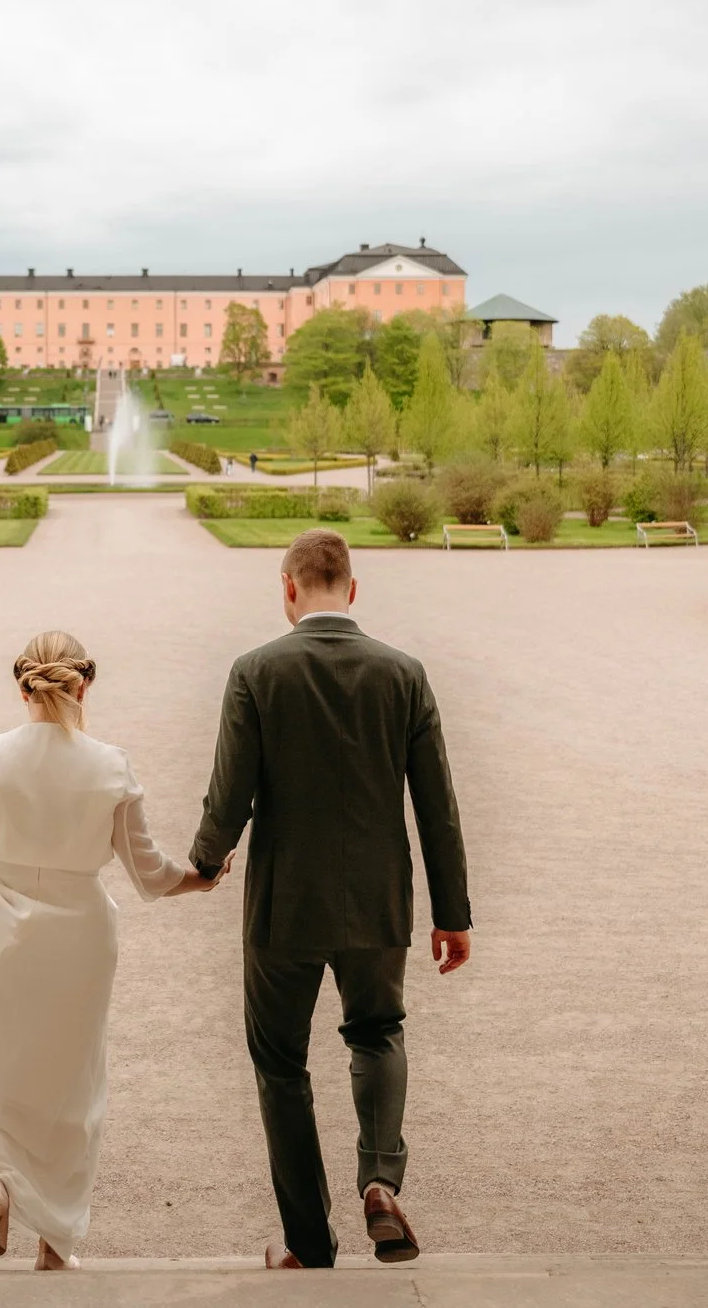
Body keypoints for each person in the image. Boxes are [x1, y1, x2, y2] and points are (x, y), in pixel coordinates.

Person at [0, 631, 226, 1270]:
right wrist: (200, 879)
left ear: (22, 688)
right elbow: (149, 874)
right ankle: (53, 1243)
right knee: (70, 1087)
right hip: (79, 942)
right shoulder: (111, 765)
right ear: (84, 685)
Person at [190, 528, 472, 1270]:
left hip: (283, 905)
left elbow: (230, 794)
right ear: (352, 589)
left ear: (288, 588)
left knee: (280, 1062)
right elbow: (437, 807)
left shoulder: (256, 671)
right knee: (378, 1032)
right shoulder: (403, 674)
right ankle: (379, 1181)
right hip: (378, 900)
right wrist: (452, 914)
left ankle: (308, 1241)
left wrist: (205, 863)